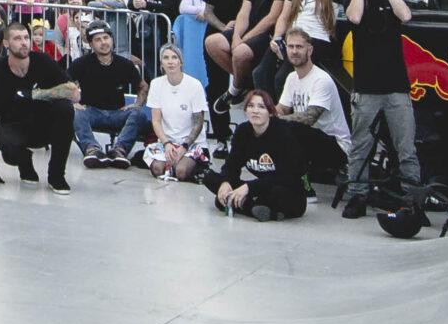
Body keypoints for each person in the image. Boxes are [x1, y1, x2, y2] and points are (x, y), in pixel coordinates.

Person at [339, 0, 420, 216]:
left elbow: (405, 15)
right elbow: (354, 18)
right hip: (366, 87)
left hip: (396, 85)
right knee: (361, 146)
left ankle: (413, 199)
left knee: (406, 147)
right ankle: (357, 196)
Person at [0, 22, 75, 190]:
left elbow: (73, 92)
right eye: (17, 38)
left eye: (26, 38)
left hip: (46, 124)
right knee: (6, 142)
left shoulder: (43, 61)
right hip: (16, 128)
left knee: (65, 108)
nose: (24, 42)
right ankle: (25, 163)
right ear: (6, 44)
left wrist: (36, 94)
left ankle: (56, 175)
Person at [207, 90, 307, 220]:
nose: (255, 111)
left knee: (276, 193)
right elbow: (231, 165)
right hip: (259, 188)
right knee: (212, 179)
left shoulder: (283, 133)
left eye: (261, 107)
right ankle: (256, 208)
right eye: (251, 106)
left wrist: (249, 187)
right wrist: (226, 182)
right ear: (245, 110)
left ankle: (242, 204)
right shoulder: (243, 131)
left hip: (286, 190)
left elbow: (286, 176)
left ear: (270, 112)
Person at [67, 22, 150, 169]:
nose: (103, 43)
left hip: (118, 112)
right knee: (76, 113)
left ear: (112, 39)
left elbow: (143, 86)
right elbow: (63, 83)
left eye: (106, 38)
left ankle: (119, 150)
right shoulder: (81, 63)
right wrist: (72, 103)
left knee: (139, 114)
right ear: (91, 44)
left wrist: (137, 104)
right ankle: (92, 149)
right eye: (98, 40)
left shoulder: (125, 64)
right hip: (91, 111)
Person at [271, 0, 346, 85]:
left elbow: (354, 7)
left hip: (318, 40)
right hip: (292, 40)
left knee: (282, 79)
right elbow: (283, 17)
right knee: (263, 73)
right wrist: (276, 38)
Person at [275, 30, 351, 155]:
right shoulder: (291, 77)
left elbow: (309, 118)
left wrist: (274, 121)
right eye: (290, 46)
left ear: (310, 50)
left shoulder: (321, 79)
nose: (294, 51)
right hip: (310, 140)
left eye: (299, 47)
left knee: (294, 130)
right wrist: (268, 116)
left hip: (336, 145)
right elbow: (282, 108)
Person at [200, 0, 255, 114]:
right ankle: (221, 135)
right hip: (217, 33)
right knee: (216, 84)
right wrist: (224, 27)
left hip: (245, 36)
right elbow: (208, 12)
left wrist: (238, 28)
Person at [141, 45, 207, 180]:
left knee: (182, 172)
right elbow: (156, 120)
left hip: (191, 143)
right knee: (158, 169)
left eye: (174, 57)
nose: (170, 62)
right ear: (161, 63)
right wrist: (166, 143)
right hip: (168, 141)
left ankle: (199, 165)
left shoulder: (194, 85)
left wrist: (184, 146)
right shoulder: (156, 84)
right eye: (166, 58)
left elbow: (198, 123)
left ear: (180, 62)